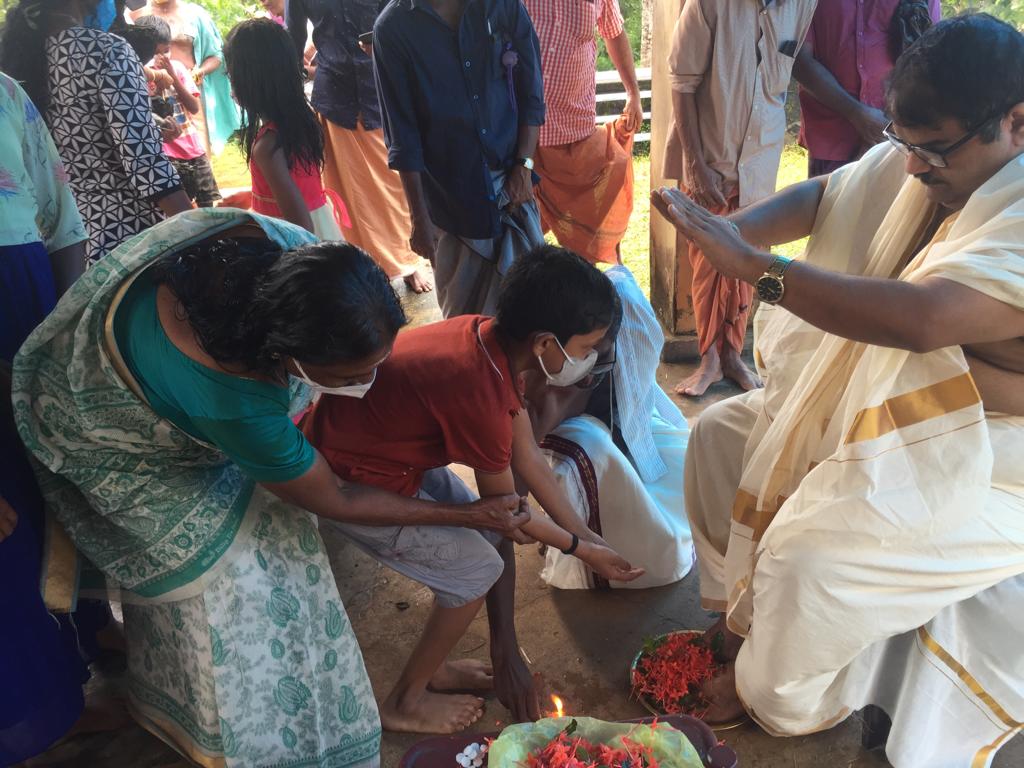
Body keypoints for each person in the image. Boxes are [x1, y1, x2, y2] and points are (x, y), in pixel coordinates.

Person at [14, 207, 535, 765]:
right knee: (231, 583)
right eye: (351, 376)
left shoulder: (288, 253)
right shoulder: (235, 400)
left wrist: (570, 542)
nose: (371, 382)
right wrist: (469, 515)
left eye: (377, 362)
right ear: (286, 355)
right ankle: (214, 709)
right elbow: (336, 496)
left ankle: (427, 670)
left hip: (189, 385)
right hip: (108, 433)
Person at [651, 14, 1024, 766]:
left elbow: (923, 321)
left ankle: (777, 694)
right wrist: (736, 232)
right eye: (904, 143)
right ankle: (739, 619)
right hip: (892, 408)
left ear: (1017, 123)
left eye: (933, 150)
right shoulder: (939, 166)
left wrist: (756, 269)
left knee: (809, 555)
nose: (912, 168)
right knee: (719, 437)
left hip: (993, 455)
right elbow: (832, 194)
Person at [302, 245, 644, 733]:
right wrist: (582, 551)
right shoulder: (479, 389)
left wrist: (589, 539)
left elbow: (528, 458)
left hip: (386, 455)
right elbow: (509, 513)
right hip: (354, 479)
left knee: (482, 542)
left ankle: (436, 669)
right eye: (587, 347)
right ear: (546, 343)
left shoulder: (487, 339)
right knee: (475, 571)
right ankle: (404, 701)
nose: (588, 360)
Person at [664, 0, 816, 396]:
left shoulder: (802, 4)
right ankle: (709, 360)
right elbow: (682, 83)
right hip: (711, 156)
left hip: (761, 157)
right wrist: (694, 162)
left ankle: (732, 356)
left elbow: (790, 66)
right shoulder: (709, 4)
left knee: (751, 257)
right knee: (707, 260)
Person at [373, 0, 547, 317]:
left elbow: (532, 94)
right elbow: (403, 135)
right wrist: (419, 218)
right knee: (464, 320)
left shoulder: (502, 6)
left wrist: (524, 166)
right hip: (450, 205)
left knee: (532, 310)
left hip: (513, 188)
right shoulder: (392, 29)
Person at [526, 266, 695, 589]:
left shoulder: (618, 345)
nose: (592, 364)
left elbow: (632, 416)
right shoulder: (547, 370)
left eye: (601, 353)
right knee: (593, 451)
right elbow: (524, 459)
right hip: (569, 433)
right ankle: (569, 526)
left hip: (617, 423)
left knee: (685, 462)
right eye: (588, 352)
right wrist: (568, 538)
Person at [0, 0, 193, 263]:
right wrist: (199, 231)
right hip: (126, 237)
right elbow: (146, 165)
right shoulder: (107, 51)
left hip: (61, 245)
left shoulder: (17, 60)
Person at [285, 0, 434, 293]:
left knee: (398, 185)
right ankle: (363, 265)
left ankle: (408, 261)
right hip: (334, 100)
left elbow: (404, 19)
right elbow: (293, 39)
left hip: (383, 92)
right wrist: (290, 97)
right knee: (350, 195)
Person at [523, 0, 642, 264]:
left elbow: (614, 32)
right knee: (520, 239)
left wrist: (633, 93)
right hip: (521, 137)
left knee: (587, 241)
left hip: (576, 132)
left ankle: (585, 284)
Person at [224, 19, 348, 240]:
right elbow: (297, 189)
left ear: (251, 80)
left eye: (231, 76)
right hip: (323, 227)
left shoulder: (267, 146)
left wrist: (242, 226)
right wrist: (254, 197)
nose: (231, 84)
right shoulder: (299, 123)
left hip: (300, 246)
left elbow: (300, 227)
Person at [794, 0, 940, 177]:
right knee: (830, 195)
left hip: (898, 140)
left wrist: (891, 125)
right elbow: (799, 60)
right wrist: (856, 113)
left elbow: (930, 61)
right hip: (830, 136)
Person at [131, 0, 241, 155]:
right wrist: (157, 76)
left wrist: (199, 72)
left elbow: (216, 56)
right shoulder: (135, 14)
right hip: (150, 90)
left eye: (166, 50)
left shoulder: (194, 14)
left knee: (198, 149)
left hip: (189, 92)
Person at [135, 14, 222, 208]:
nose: (161, 58)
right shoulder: (140, 74)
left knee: (207, 202)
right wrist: (156, 84)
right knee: (178, 205)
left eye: (165, 51)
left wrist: (172, 76)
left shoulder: (178, 69)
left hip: (192, 148)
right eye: (155, 53)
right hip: (167, 152)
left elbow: (194, 107)